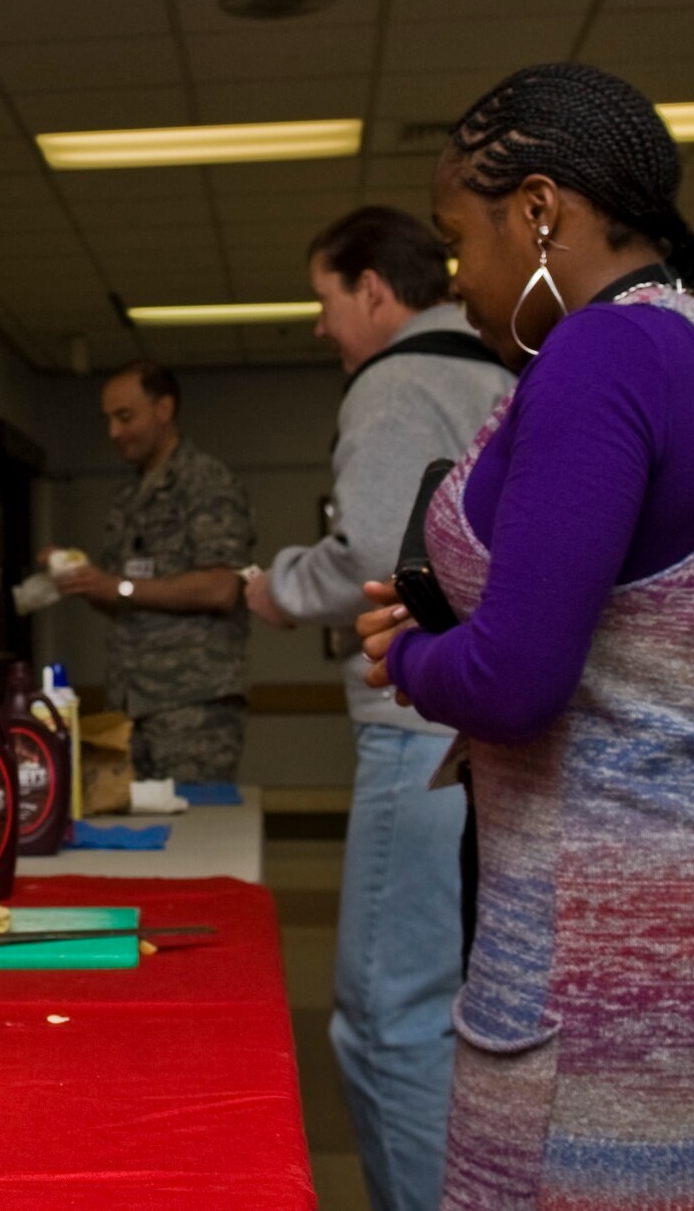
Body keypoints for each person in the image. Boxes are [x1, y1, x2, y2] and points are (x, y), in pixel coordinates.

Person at [358, 61, 694, 1209]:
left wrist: (404, 660)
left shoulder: (598, 360)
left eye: (459, 239)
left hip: (606, 982)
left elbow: (513, 681)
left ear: (540, 209)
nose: (458, 283)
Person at [243, 206, 512, 1211]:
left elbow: (368, 557)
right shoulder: (496, 375)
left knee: (386, 1017)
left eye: (324, 300)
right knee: (468, 1013)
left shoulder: (396, 383)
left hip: (421, 737)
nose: (320, 326)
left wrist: (274, 587)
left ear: (372, 290)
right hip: (500, 739)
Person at [49, 361, 253, 781]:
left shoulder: (205, 482)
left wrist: (118, 586)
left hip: (192, 705)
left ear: (163, 408)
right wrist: (89, 582)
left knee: (198, 838)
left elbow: (221, 588)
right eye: (108, 420)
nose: (114, 433)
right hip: (130, 705)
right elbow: (131, 598)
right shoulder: (129, 496)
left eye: (125, 417)